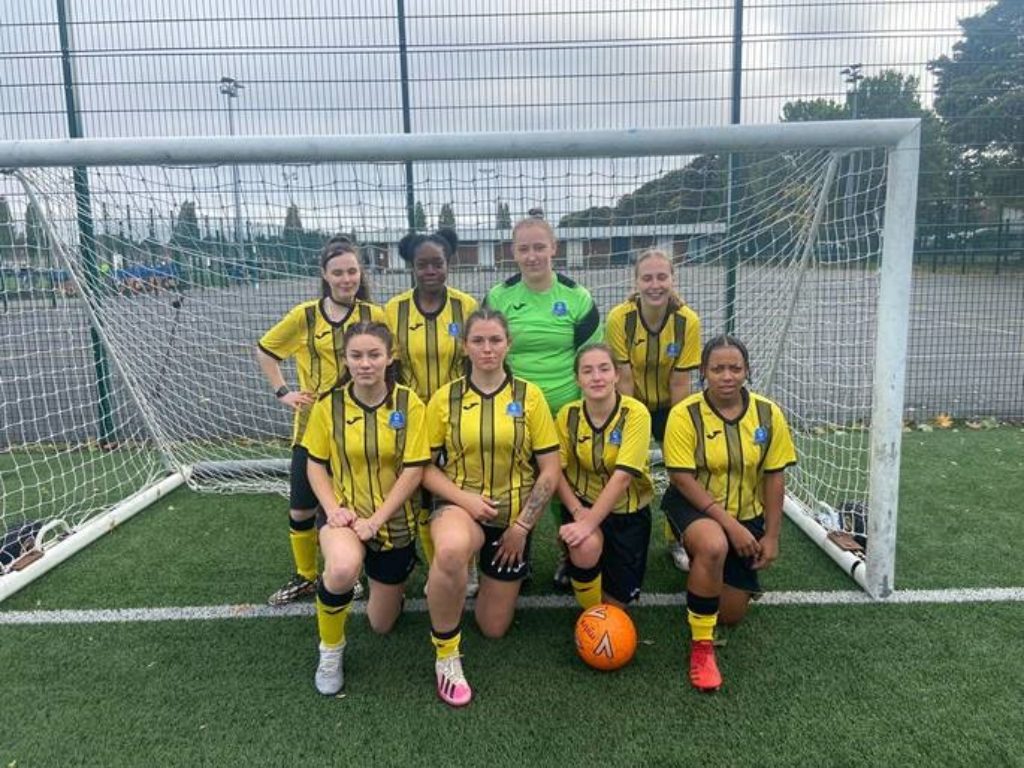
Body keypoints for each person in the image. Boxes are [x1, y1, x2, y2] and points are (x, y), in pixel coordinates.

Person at [422, 308, 561, 707]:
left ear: (508, 345)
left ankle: (455, 578)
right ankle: (447, 656)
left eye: (495, 340)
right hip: (459, 507)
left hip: (512, 522)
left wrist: (521, 527)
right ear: (465, 346)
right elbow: (424, 469)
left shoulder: (529, 397)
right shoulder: (444, 398)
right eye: (478, 341)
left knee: (492, 627)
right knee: (449, 550)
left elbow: (550, 470)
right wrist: (464, 499)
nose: (487, 349)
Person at [661, 335, 797, 692]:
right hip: (693, 506)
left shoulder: (768, 413)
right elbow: (681, 478)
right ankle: (702, 649)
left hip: (747, 515)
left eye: (735, 368)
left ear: (747, 371)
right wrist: (731, 527)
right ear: (704, 371)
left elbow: (774, 476)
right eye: (717, 368)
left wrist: (770, 535)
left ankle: (708, 572)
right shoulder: (685, 414)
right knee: (714, 545)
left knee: (731, 615)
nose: (726, 376)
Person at [257, 235, 387, 606]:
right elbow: (265, 350)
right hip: (312, 426)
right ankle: (305, 576)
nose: (346, 279)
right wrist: (283, 392)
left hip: (359, 427)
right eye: (338, 272)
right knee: (302, 507)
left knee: (352, 502)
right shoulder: (305, 315)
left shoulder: (373, 316)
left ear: (361, 273)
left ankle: (350, 571)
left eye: (352, 271)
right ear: (324, 275)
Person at [301, 321, 429, 695]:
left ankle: (390, 586)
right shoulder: (330, 406)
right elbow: (315, 464)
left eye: (374, 354)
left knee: (382, 624)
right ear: (346, 359)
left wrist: (376, 521)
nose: (365, 363)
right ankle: (330, 650)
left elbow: (414, 469)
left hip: (392, 522)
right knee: (341, 569)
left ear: (390, 357)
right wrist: (333, 508)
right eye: (356, 355)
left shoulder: (409, 403)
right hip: (345, 513)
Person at [485, 216, 601, 587]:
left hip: (566, 412)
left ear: (554, 248)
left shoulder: (577, 297)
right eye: (523, 248)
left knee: (564, 484)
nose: (532, 256)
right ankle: (519, 556)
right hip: (515, 411)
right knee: (519, 482)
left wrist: (586, 410)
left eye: (539, 247)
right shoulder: (500, 297)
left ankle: (570, 556)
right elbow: (490, 354)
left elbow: (591, 359)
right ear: (513, 253)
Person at [385, 229, 479, 595]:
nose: (430, 271)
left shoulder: (466, 306)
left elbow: (475, 360)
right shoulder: (394, 310)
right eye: (422, 264)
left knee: (456, 489)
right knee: (417, 493)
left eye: (437, 263)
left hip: (456, 415)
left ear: (448, 264)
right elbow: (389, 364)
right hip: (410, 417)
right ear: (412, 266)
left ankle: (466, 567)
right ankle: (431, 568)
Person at [606, 248, 702, 573]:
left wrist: (679, 432)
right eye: (647, 277)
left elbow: (680, 382)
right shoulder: (620, 318)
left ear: (672, 280)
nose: (655, 284)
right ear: (636, 281)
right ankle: (620, 534)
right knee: (625, 464)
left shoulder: (687, 321)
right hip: (633, 401)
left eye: (662, 277)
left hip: (669, 405)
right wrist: (632, 427)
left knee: (683, 467)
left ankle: (676, 537)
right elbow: (625, 378)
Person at [554, 343, 654, 610]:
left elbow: (622, 478)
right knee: (585, 546)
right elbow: (556, 472)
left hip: (627, 514)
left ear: (616, 375)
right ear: (577, 379)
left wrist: (587, 523)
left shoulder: (636, 413)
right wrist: (577, 513)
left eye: (603, 369)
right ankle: (590, 615)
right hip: (582, 507)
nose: (596, 377)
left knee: (617, 605)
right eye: (587, 371)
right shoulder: (567, 415)